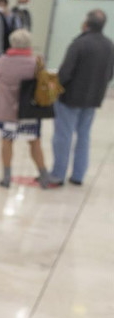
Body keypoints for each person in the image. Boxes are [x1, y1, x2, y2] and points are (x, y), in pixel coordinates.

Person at [49, 9, 114, 187]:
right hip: (93, 98)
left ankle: (58, 174)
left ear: (86, 23)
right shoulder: (109, 45)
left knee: (63, 135)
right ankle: (78, 175)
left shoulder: (79, 44)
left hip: (70, 97)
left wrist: (54, 88)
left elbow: (65, 73)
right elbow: (109, 75)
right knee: (84, 136)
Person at [0, 29, 51, 188]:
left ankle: (7, 177)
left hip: (6, 110)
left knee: (7, 142)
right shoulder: (36, 61)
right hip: (28, 111)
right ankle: (44, 176)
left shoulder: (2, 60)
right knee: (34, 142)